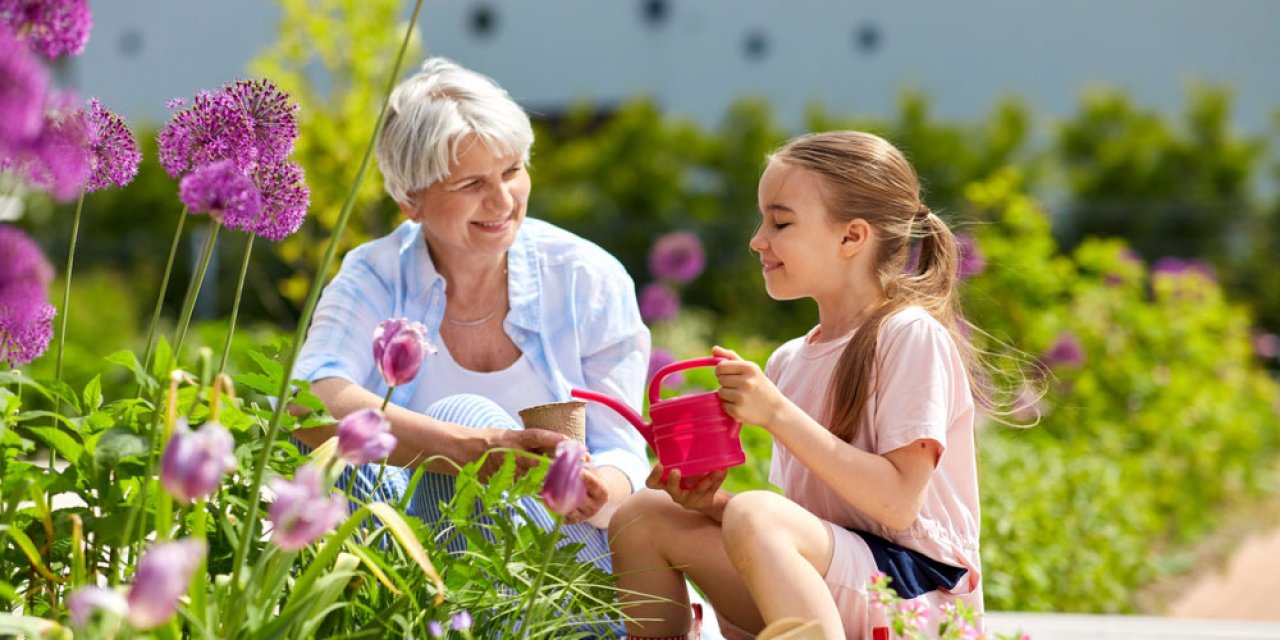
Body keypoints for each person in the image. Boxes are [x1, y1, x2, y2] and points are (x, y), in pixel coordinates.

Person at [610, 131, 993, 639]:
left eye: (780, 221)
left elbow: (898, 505)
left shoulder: (909, 334)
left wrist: (776, 414)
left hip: (918, 599)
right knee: (644, 514)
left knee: (757, 512)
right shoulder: (790, 358)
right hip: (839, 586)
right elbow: (803, 528)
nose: (757, 239)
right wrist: (712, 506)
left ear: (851, 237)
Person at [291, 56, 651, 579]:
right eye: (470, 184)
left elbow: (622, 446)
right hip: (420, 569)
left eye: (512, 171)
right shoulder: (375, 273)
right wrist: (475, 448)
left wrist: (595, 490)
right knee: (398, 440)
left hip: (565, 572)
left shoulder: (585, 278)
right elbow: (308, 400)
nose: (503, 200)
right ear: (409, 199)